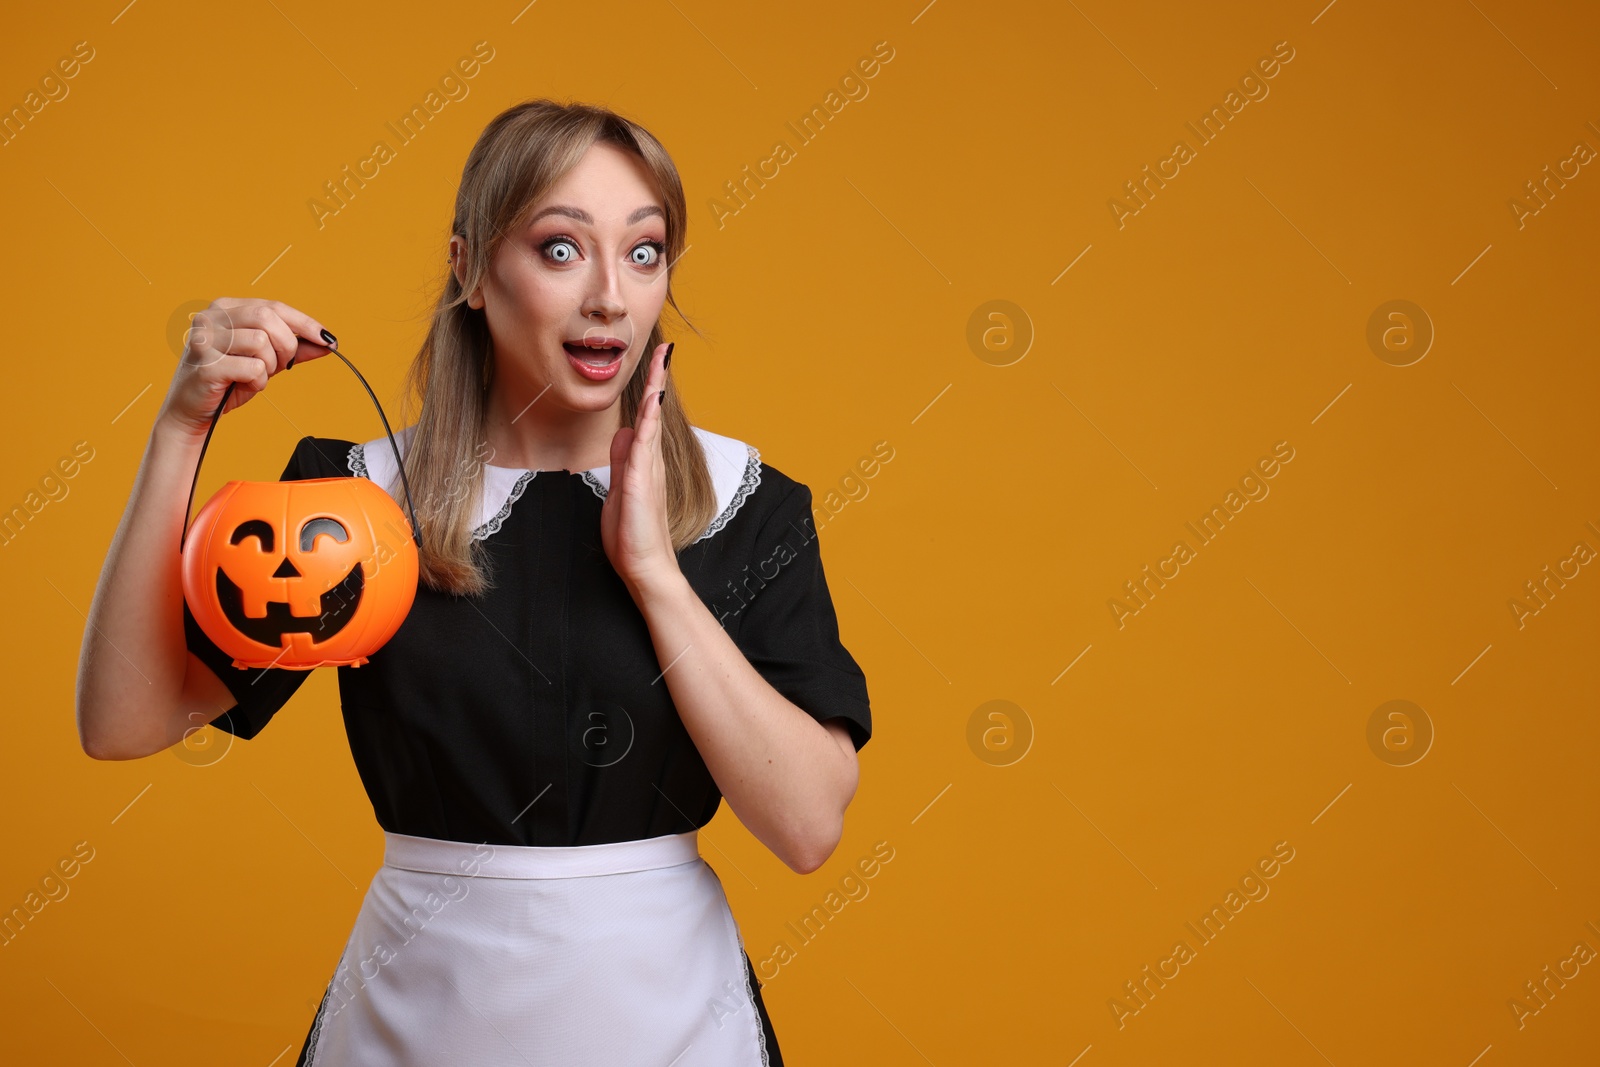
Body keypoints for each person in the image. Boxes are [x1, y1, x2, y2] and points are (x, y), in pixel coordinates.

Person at [76, 98, 873, 1065]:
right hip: (411, 1022)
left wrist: (655, 573)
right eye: (561, 248)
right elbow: (123, 720)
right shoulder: (356, 504)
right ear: (470, 270)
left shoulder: (749, 503)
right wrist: (182, 428)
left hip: (673, 1023)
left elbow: (805, 825)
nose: (612, 298)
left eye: (645, 250)